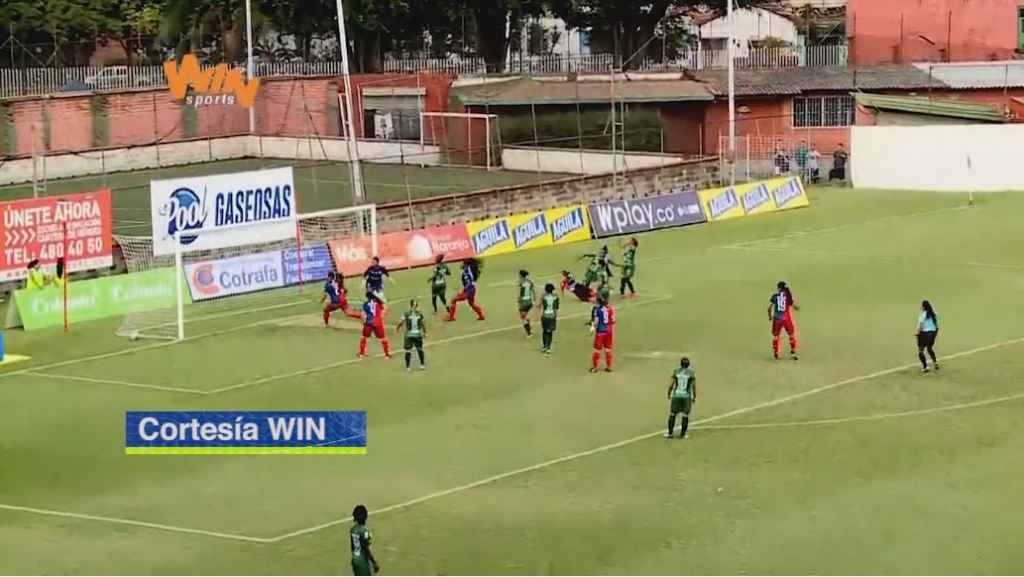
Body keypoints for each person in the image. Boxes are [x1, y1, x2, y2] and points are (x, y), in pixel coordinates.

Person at [665, 357, 697, 439]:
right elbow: (693, 386)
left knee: (673, 414)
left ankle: (670, 433)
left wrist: (669, 393)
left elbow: (671, 384)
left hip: (676, 395)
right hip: (686, 396)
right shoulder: (691, 374)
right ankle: (683, 434)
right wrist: (694, 396)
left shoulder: (676, 372)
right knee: (685, 415)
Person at [768, 281, 799, 360]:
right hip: (786, 319)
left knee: (776, 336)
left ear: (779, 288)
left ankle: (776, 353)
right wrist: (796, 308)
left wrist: (770, 316)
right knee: (791, 334)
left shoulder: (775, 296)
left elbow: (769, 308)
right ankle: (793, 351)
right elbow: (793, 305)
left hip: (777, 319)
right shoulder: (788, 295)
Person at [396, 299, 427, 371]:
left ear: (410, 305)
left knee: (408, 351)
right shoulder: (420, 314)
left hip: (408, 335)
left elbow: (401, 322)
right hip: (417, 334)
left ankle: (408, 367)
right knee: (420, 349)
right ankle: (422, 365)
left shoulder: (406, 313)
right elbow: (423, 324)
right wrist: (425, 332)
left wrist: (398, 327)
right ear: (417, 306)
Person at [349, 504, 380, 576]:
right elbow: (366, 548)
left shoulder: (353, 529)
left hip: (355, 560)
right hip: (362, 562)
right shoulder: (365, 531)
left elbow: (352, 546)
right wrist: (374, 562)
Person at [358, 292, 391, 359]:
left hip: (369, 322)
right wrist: (382, 315)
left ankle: (361, 353)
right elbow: (385, 308)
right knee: (383, 338)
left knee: (364, 337)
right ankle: (387, 354)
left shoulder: (366, 304)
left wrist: (363, 321)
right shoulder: (378, 302)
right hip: (378, 322)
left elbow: (362, 314)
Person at [589, 297, 615, 373]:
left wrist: (592, 328)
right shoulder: (610, 309)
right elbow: (613, 320)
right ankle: (609, 367)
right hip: (609, 331)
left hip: (601, 332)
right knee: (608, 349)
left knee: (597, 349)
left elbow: (596, 321)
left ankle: (595, 368)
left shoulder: (598, 310)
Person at [916, 300, 940, 373]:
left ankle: (925, 367)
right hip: (932, 334)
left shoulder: (922, 315)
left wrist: (917, 334)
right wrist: (934, 335)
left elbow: (921, 327)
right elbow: (937, 326)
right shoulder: (934, 314)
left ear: (923, 307)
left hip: (925, 335)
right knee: (929, 348)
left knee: (920, 351)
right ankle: (935, 362)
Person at [539, 283, 559, 355]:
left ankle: (544, 346)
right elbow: (557, 307)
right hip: (552, 316)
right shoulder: (556, 296)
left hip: (545, 316)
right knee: (550, 332)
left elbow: (539, 305)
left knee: (544, 331)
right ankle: (549, 348)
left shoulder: (543, 296)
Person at [517, 269, 535, 337]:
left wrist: (518, 300)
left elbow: (519, 292)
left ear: (521, 275)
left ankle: (529, 333)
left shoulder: (521, 282)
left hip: (523, 302)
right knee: (526, 315)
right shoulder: (530, 282)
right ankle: (530, 329)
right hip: (529, 301)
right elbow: (533, 291)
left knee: (523, 317)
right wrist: (534, 300)